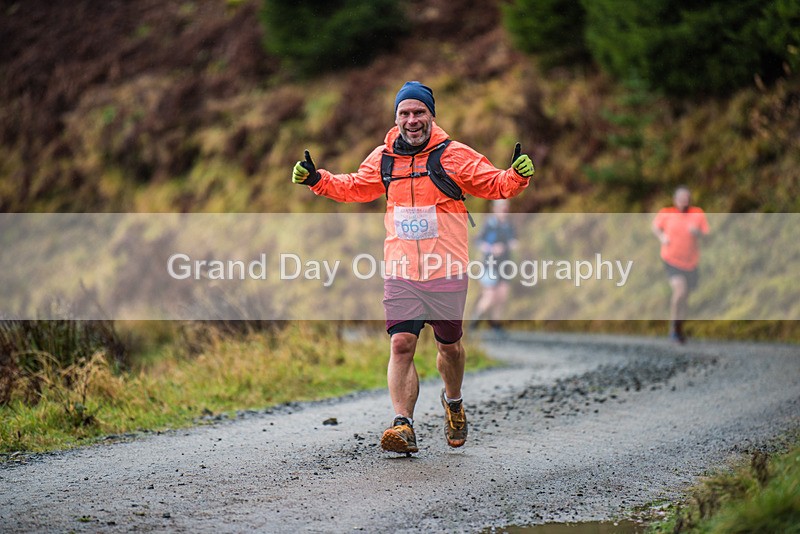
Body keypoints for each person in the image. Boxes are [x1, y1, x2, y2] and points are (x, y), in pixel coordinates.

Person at [291, 81, 534, 454]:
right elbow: (356, 186)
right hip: (401, 268)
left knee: (449, 348)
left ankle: (454, 404)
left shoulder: (454, 155)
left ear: (431, 115)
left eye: (419, 112)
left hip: (446, 267)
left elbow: (494, 183)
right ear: (396, 118)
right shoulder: (384, 158)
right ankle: (403, 425)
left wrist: (517, 175)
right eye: (404, 113)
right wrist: (318, 179)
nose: (412, 119)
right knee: (402, 344)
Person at [652, 186, 709, 343]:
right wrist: (662, 237)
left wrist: (697, 232)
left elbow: (706, 236)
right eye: (681, 199)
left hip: (691, 262)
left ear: (690, 200)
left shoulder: (697, 214)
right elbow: (655, 227)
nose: (684, 202)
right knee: (680, 291)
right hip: (671, 259)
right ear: (675, 200)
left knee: (685, 297)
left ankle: (679, 328)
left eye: (687, 199)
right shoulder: (666, 213)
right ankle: (673, 326)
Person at [471, 199, 518, 335]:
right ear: (495, 208)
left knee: (502, 296)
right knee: (489, 296)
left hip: (505, 264)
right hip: (489, 264)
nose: (505, 210)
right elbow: (478, 241)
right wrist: (491, 248)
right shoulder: (489, 224)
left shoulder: (508, 225)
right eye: (502, 207)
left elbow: (513, 240)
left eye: (506, 208)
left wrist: (513, 244)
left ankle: (495, 325)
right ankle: (474, 323)